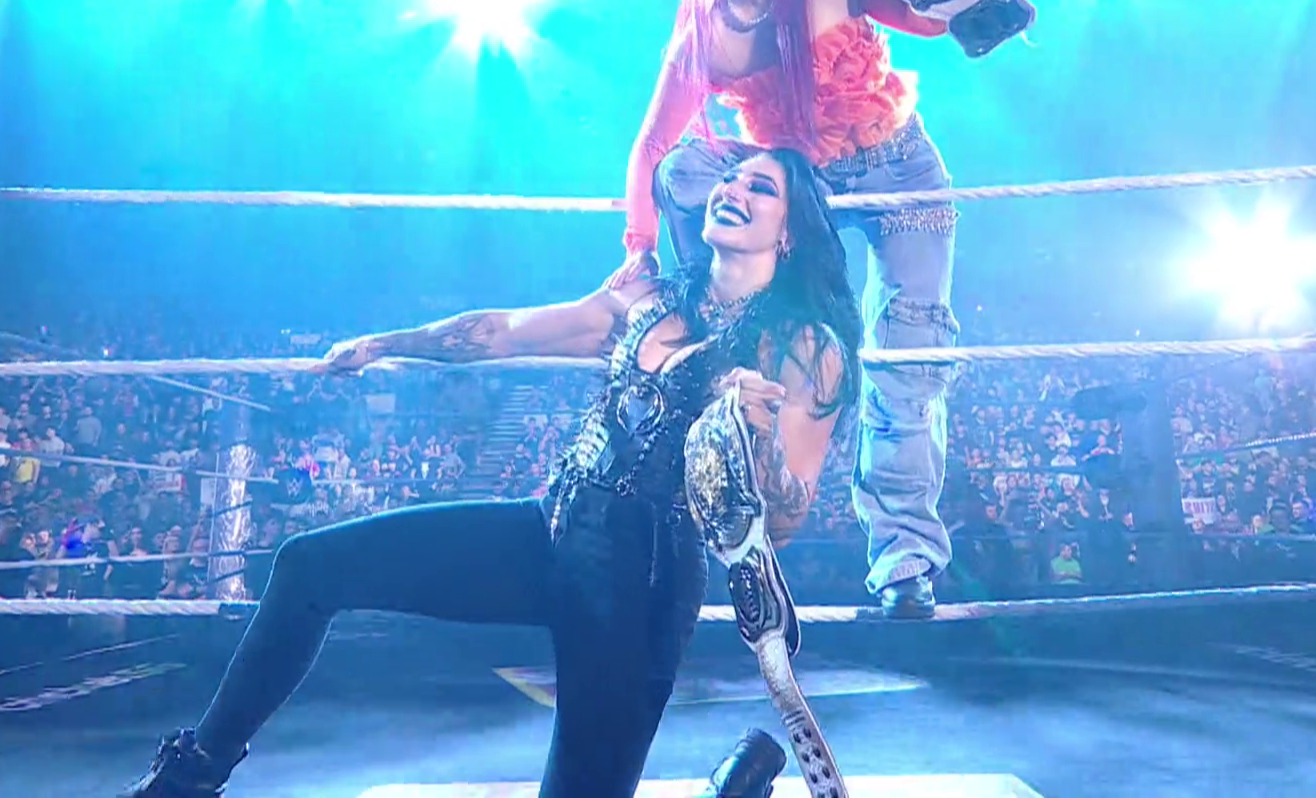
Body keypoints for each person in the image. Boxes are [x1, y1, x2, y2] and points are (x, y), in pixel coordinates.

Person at [121, 149, 863, 798]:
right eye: (732, 177)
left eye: (761, 187)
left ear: (790, 231)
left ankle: (733, 787)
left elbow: (787, 517)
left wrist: (755, 440)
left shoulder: (804, 347)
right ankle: (191, 776)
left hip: (642, 585)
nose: (734, 189)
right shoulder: (647, 297)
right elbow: (504, 330)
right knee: (309, 567)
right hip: (555, 528)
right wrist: (388, 343)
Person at [608, 0, 1035, 617]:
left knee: (910, 352)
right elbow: (652, 149)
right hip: (802, 186)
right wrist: (639, 249)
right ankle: (719, 304)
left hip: (899, 167)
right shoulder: (705, 36)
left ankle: (904, 560)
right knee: (686, 173)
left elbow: (920, 17)